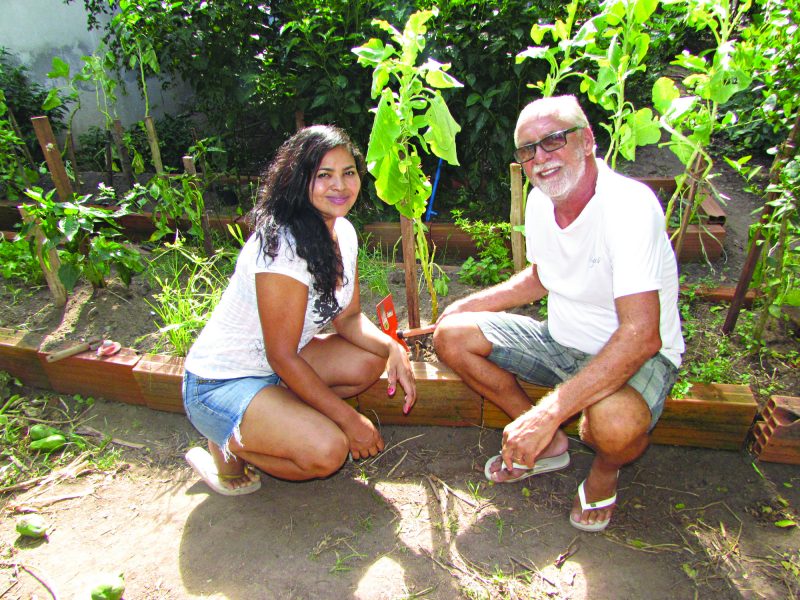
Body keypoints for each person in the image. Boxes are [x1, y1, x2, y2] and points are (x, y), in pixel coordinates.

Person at [433, 96, 684, 531]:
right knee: (452, 335)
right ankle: (549, 448)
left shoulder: (628, 207)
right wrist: (466, 305)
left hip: (635, 356)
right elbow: (540, 277)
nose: (539, 159)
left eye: (551, 141)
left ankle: (604, 472)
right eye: (527, 150)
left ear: (587, 141)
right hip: (560, 341)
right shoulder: (539, 203)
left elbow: (643, 336)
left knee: (614, 423)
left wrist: (544, 413)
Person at [182, 125, 416, 496]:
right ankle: (228, 441)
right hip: (221, 382)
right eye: (324, 175)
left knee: (368, 361)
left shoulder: (344, 232)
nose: (340, 185)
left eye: (348, 173)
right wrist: (351, 421)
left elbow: (349, 319)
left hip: (276, 369)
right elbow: (281, 354)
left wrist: (393, 349)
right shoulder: (282, 246)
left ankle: (277, 414)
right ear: (298, 179)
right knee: (329, 450)